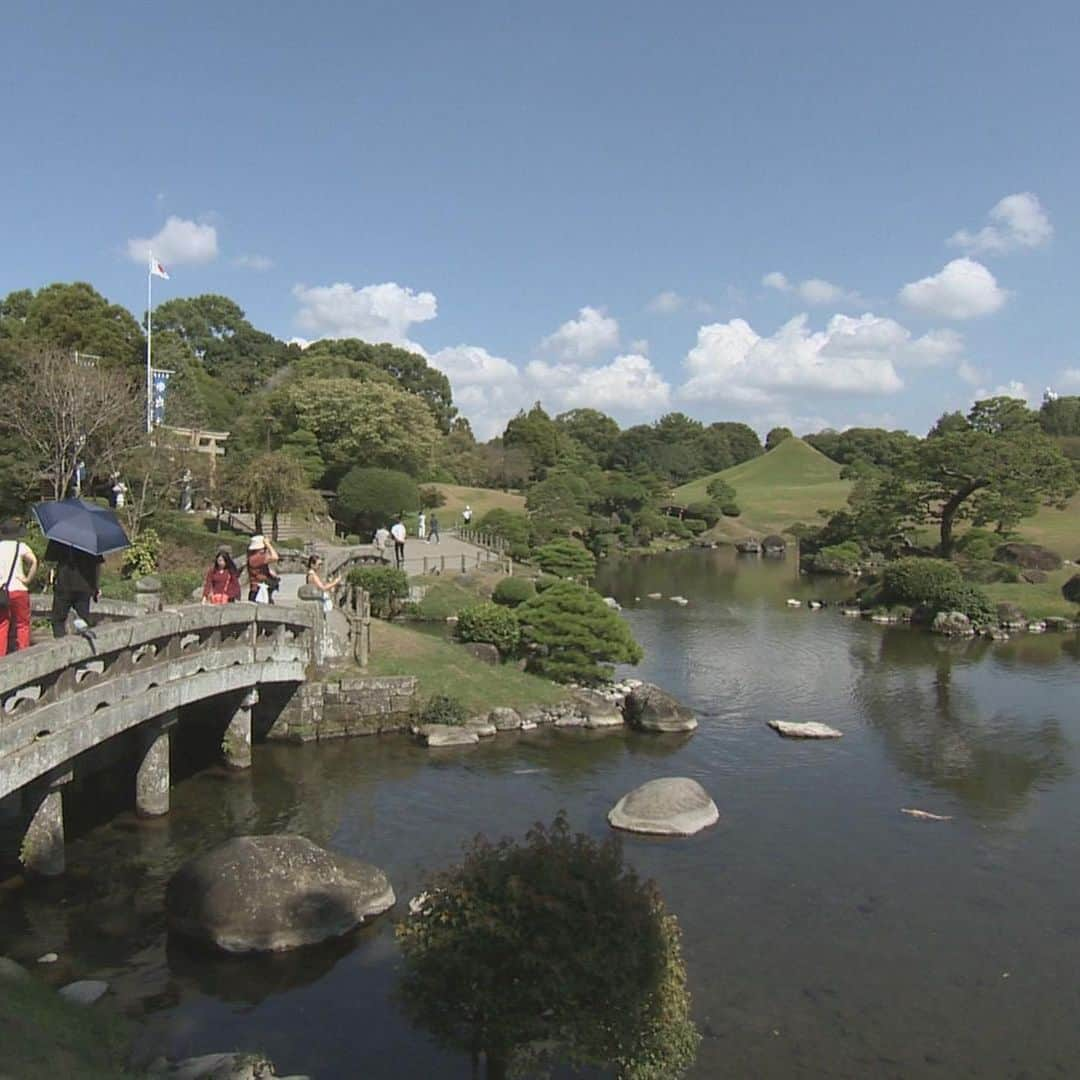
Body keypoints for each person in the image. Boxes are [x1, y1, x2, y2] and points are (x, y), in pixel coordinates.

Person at [45, 539, 102, 638]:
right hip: (85, 584)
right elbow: (97, 565)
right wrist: (96, 587)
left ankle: (60, 644)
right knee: (83, 622)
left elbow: (51, 559)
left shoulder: (60, 536)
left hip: (64, 583)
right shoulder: (91, 539)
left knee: (58, 620)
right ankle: (83, 648)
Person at [0, 520, 37, 655]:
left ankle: (1, 656)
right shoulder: (21, 547)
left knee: (2, 624)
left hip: (2, 591)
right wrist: (27, 579)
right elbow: (34, 561)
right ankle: (23, 654)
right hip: (19, 589)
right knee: (22, 624)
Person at [245, 534, 280, 603]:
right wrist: (268, 544)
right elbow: (275, 557)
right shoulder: (257, 557)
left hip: (258, 589)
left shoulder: (253, 557)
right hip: (259, 591)